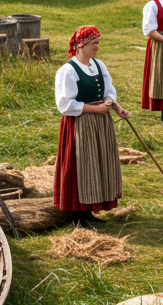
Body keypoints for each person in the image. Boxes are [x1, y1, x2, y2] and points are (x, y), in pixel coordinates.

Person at [53, 26, 131, 228]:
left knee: (96, 164)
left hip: (100, 123)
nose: (97, 47)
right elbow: (65, 105)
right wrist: (95, 110)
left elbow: (108, 90)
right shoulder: (68, 71)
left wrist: (115, 106)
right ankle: (77, 216)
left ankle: (89, 212)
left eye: (97, 43)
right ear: (81, 45)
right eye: (93, 43)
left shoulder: (98, 65)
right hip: (80, 124)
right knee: (81, 165)